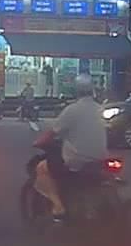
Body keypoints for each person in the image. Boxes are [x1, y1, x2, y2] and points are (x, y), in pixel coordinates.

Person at [32, 74, 108, 223]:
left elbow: (52, 133)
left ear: (76, 91)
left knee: (42, 168)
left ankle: (58, 206)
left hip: (77, 161)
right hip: (100, 159)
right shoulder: (100, 109)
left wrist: (37, 142)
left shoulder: (72, 110)